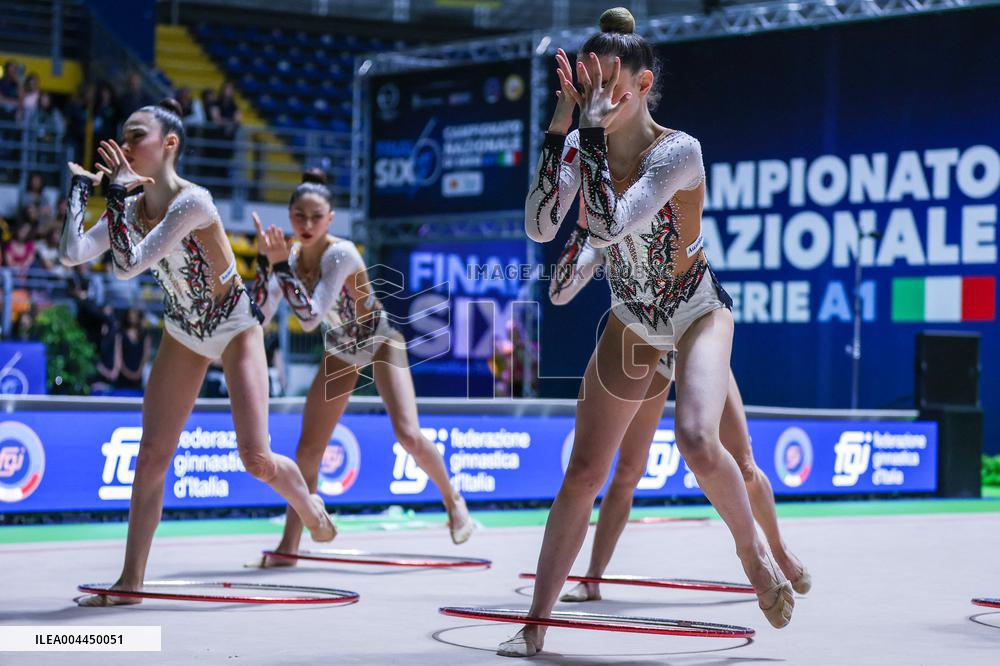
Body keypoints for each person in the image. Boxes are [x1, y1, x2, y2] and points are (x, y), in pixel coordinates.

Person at [502, 9, 793, 656]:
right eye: (589, 78)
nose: (600, 90)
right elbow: (541, 227)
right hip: (634, 319)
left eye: (613, 80)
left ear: (643, 81)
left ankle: (755, 554)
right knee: (584, 471)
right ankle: (535, 623)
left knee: (698, 437)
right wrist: (559, 127)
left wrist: (588, 136)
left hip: (696, 311)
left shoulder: (678, 151)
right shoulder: (581, 140)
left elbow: (609, 224)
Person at [59, 98, 337, 606]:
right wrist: (83, 189)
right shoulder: (132, 204)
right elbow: (73, 252)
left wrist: (117, 196)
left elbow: (128, 266)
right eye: (122, 135)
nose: (123, 145)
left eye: (135, 135)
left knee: (255, 458)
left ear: (170, 145)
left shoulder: (194, 202)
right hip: (183, 331)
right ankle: (130, 582)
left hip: (234, 326)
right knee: (150, 457)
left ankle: (311, 509)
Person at [548, 206, 809, 604]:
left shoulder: (654, 189)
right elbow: (559, 290)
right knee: (627, 472)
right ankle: (593, 577)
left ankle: (777, 550)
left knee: (743, 464)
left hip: (692, 332)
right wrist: (583, 234)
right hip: (645, 345)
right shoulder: (603, 222)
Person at [248, 172, 474, 567]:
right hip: (341, 349)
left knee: (408, 433)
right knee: (308, 450)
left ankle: (453, 500)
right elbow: (260, 317)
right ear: (288, 216)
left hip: (380, 339)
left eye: (315, 217)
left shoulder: (342, 253)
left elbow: (310, 317)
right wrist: (264, 268)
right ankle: (289, 546)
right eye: (298, 216)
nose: (306, 225)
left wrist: (280, 268)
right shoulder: (291, 258)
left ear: (330, 219)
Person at [116, 308, 149, 391]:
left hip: (138, 373)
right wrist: (125, 371)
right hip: (123, 373)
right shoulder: (121, 333)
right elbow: (118, 354)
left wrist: (139, 371)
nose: (132, 317)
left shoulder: (144, 333)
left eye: (134, 315)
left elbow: (146, 354)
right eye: (130, 315)